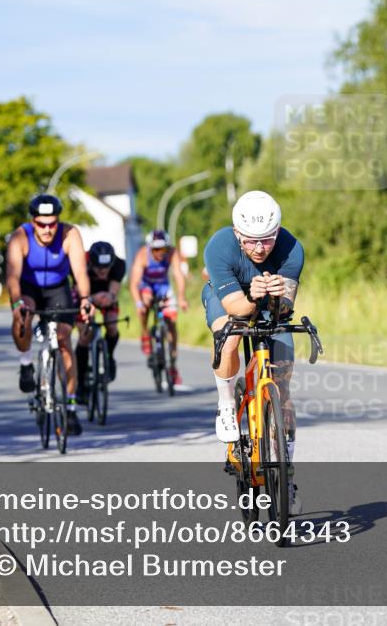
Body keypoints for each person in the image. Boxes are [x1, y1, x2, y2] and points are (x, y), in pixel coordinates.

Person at [202, 190, 303, 513]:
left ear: (277, 232)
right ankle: (226, 404)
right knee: (229, 335)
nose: (260, 248)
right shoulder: (219, 246)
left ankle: (286, 476)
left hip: (268, 307)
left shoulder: (292, 248)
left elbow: (284, 308)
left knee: (283, 388)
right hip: (229, 300)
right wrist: (253, 296)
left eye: (267, 240)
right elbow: (236, 308)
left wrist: (277, 296)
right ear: (237, 234)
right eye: (250, 241)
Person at [6, 193, 92, 435]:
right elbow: (12, 277)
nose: (47, 230)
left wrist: (85, 299)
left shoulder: (69, 234)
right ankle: (25, 364)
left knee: (64, 341)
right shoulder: (20, 237)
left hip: (58, 289)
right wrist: (17, 303)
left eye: (52, 224)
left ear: (58, 221)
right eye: (41, 224)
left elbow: (80, 272)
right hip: (29, 287)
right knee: (22, 317)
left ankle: (71, 407)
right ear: (33, 222)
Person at [129, 229, 188, 384]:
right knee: (145, 303)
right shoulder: (143, 254)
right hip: (147, 286)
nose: (160, 252)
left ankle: (172, 364)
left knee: (172, 323)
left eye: (163, 248)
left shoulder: (172, 253)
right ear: (150, 247)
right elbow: (134, 283)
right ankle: (145, 332)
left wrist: (182, 298)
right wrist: (139, 303)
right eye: (155, 249)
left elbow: (178, 275)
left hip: (163, 287)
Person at [75, 241, 125, 402]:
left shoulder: (118, 265)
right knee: (85, 335)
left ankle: (109, 357)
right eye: (99, 268)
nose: (103, 271)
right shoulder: (80, 261)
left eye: (106, 268)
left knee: (112, 325)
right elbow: (77, 287)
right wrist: (89, 299)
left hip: (105, 294)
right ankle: (80, 382)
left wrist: (109, 297)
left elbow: (113, 292)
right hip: (84, 295)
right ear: (91, 263)